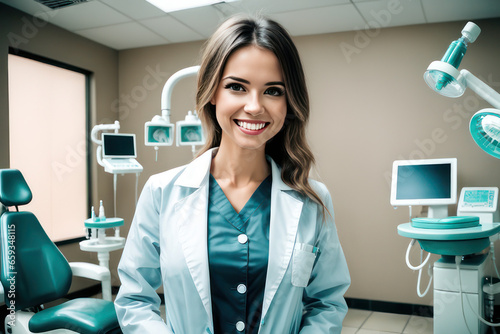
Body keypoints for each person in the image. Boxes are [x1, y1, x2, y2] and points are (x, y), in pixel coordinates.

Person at [114, 14, 350, 334]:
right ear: (213, 92)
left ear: (289, 102)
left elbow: (327, 302)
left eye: (273, 91)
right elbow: (134, 299)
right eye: (237, 87)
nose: (254, 107)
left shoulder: (313, 201)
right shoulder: (162, 192)